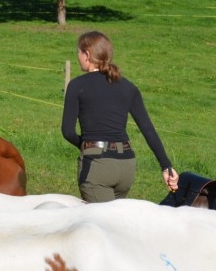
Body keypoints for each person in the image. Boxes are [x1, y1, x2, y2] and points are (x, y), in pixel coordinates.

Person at [61, 31, 178, 202]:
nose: (78, 56)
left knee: (103, 218)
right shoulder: (128, 87)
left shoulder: (77, 85)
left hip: (98, 167)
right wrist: (166, 166)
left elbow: (67, 131)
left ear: (87, 55)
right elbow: (148, 129)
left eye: (78, 52)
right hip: (126, 166)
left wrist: (86, 146)